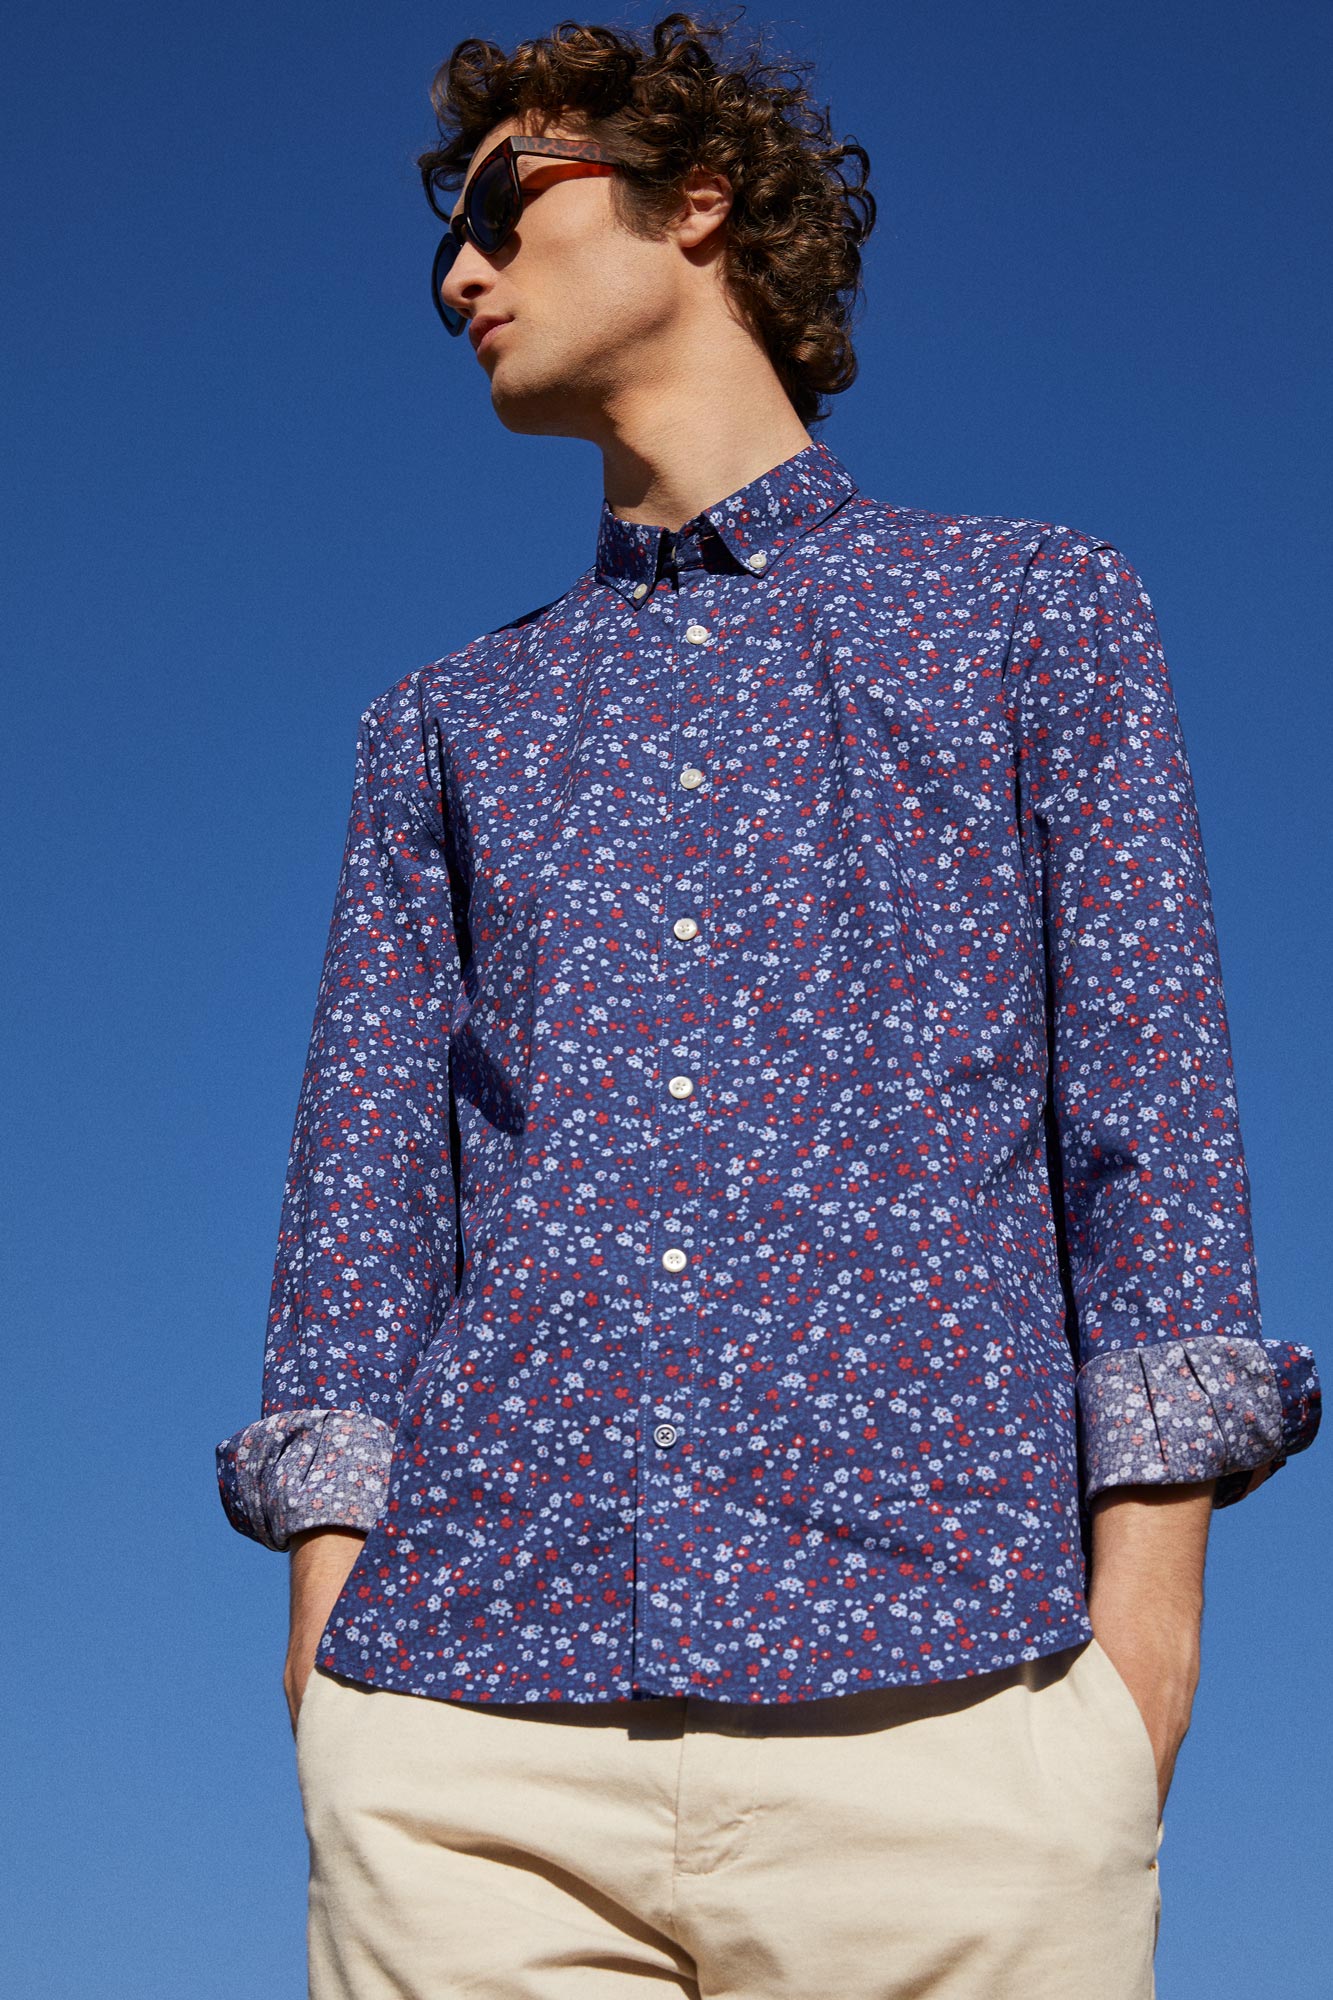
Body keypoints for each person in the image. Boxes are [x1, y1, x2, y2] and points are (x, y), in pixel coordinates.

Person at [215, 14, 1321, 1998]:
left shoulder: (1030, 615)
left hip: (961, 1715)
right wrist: (335, 1665)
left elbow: (1146, 1130)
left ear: (700, 198)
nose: (460, 274)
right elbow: (362, 1209)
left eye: (502, 201)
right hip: (468, 1754)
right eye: (446, 236)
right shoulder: (440, 725)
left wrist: (1132, 1671)